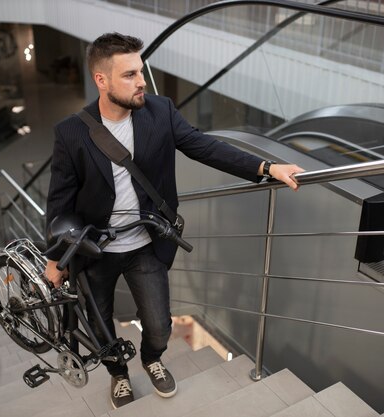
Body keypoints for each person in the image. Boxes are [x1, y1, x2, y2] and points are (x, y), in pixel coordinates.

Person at [45, 32, 304, 409]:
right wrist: (55, 259)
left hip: (146, 244)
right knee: (100, 326)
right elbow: (59, 203)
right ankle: (118, 373)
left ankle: (151, 359)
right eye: (130, 75)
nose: (141, 82)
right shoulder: (71, 133)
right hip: (94, 251)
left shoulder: (160, 111)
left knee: (159, 325)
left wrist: (266, 167)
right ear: (101, 80)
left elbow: (206, 148)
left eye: (140, 71)